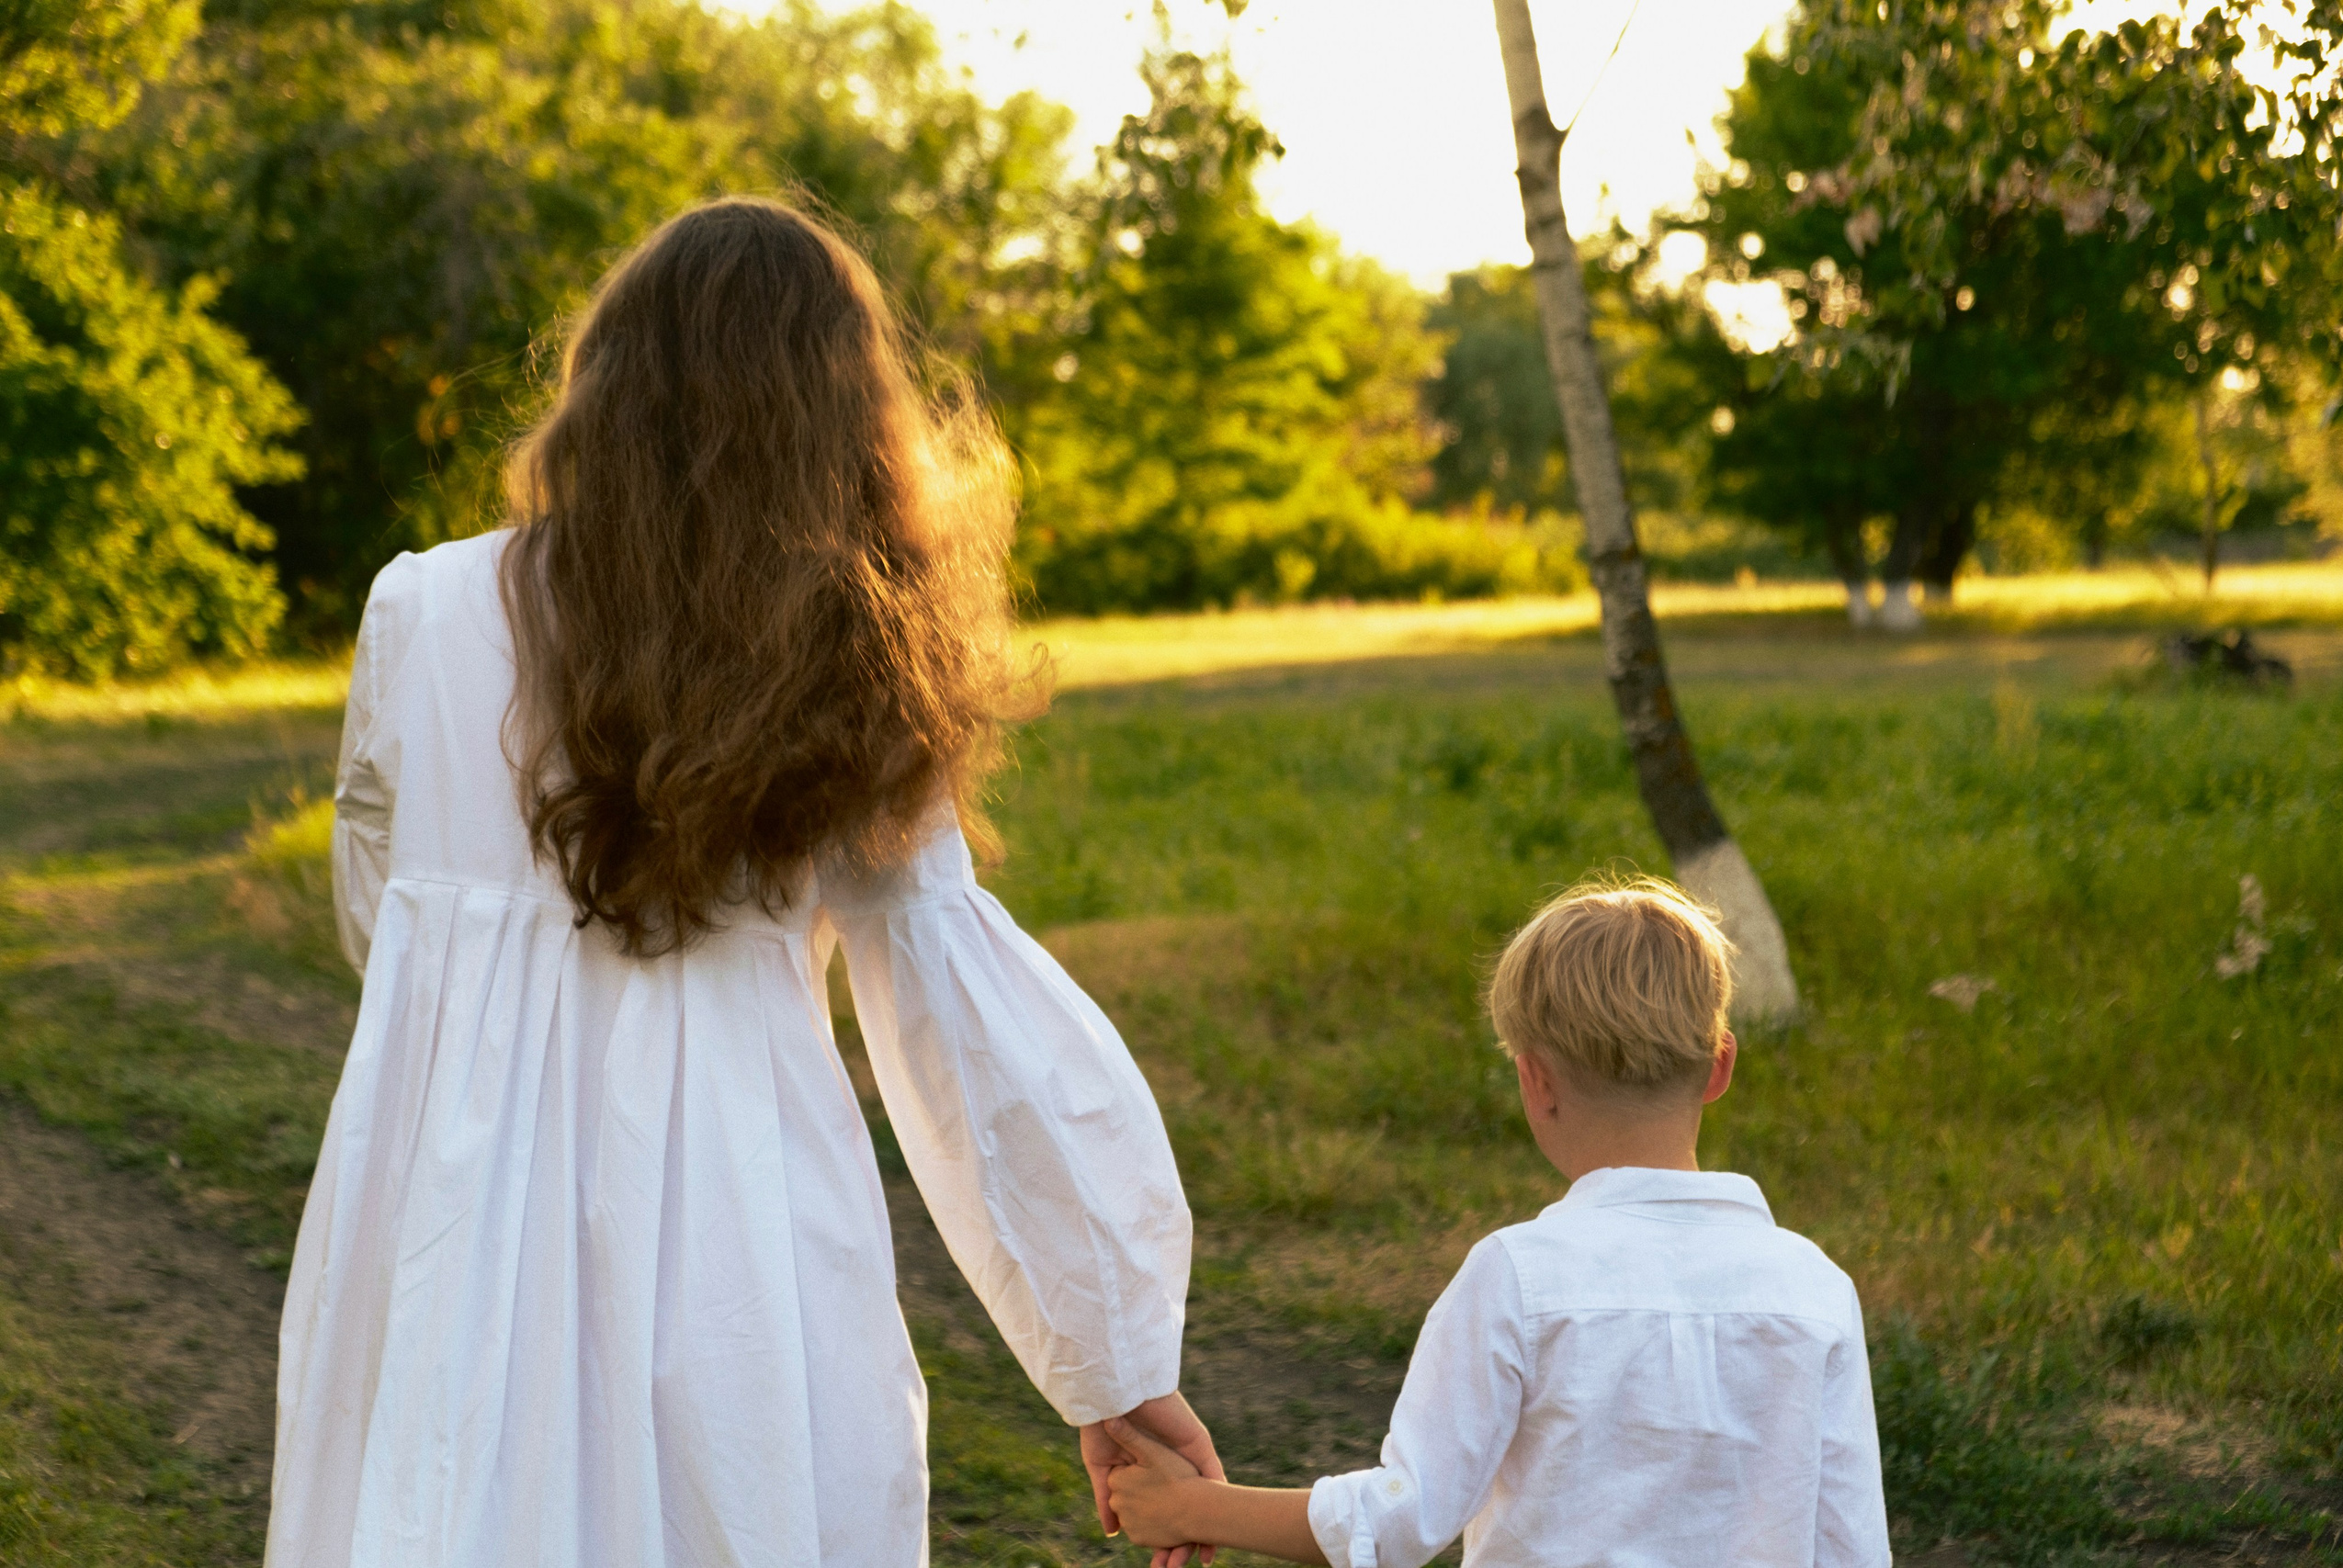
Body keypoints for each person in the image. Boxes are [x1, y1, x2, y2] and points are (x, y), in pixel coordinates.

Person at [269, 195, 1221, 1568]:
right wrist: (1112, 1357)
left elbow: (386, 911)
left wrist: (508, 1041)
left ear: (605, 388)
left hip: (452, 1216)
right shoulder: (850, 658)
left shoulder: (420, 606)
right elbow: (962, 1027)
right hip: (731, 1213)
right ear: (846, 427)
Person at [1102, 878, 1891, 1568]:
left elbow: (1401, 1521)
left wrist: (1194, 1507)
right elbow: (1853, 1548)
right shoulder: (1817, 1291)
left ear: (1534, 1079)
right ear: (1720, 1067)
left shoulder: (1519, 1277)